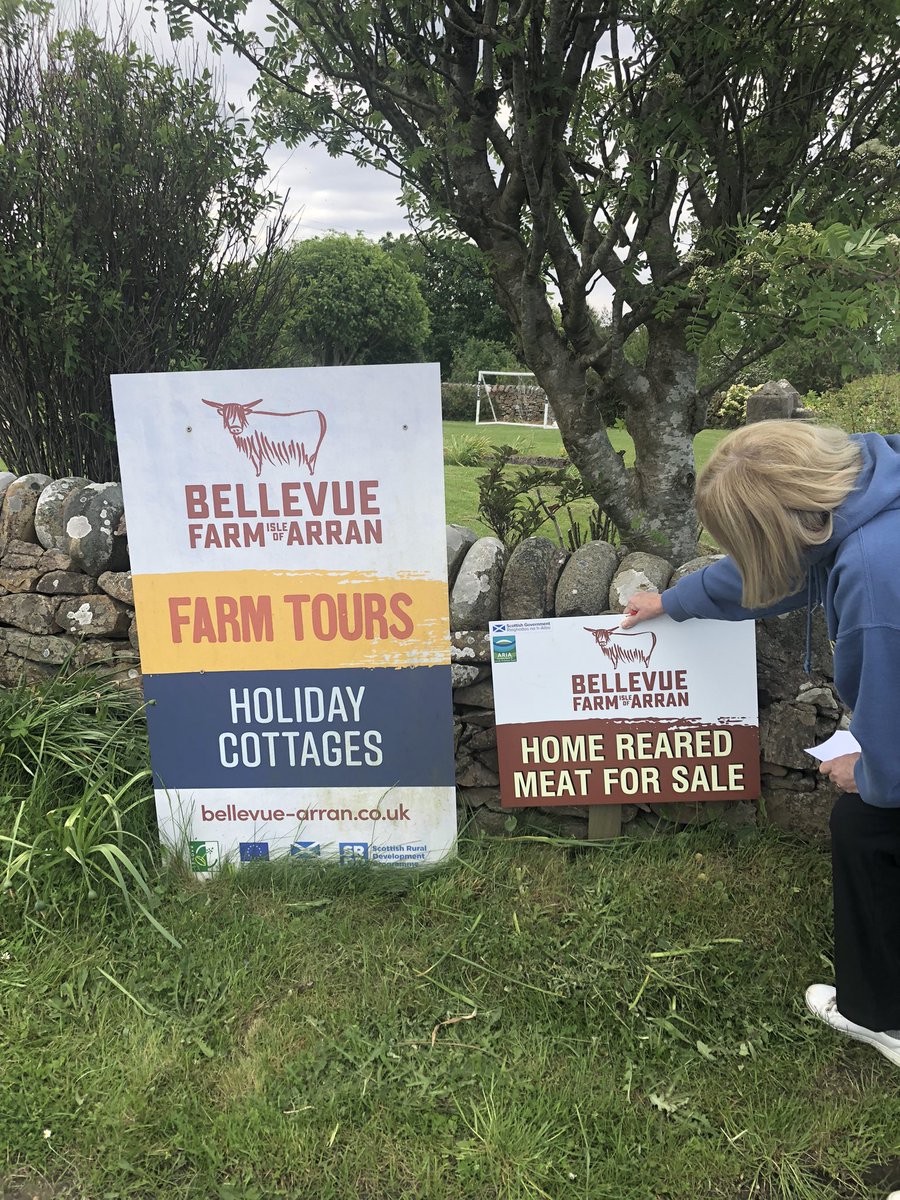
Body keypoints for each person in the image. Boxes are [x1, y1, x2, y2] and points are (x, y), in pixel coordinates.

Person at [621, 419, 900, 1068]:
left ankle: (879, 1015)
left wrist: (872, 773)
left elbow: (890, 709)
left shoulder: (870, 570)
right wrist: (674, 600)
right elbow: (776, 574)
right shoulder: (862, 489)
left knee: (868, 824)